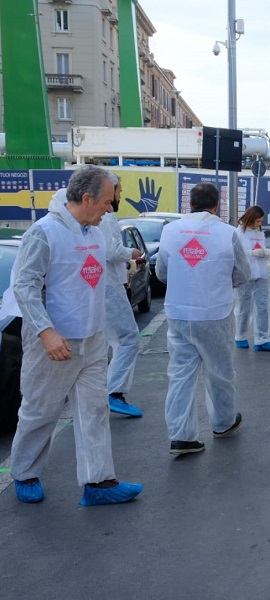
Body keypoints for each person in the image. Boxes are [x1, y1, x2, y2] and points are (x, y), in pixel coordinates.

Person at [9, 165, 143, 505]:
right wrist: (46, 331)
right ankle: (25, 472)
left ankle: (99, 482)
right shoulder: (44, 233)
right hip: (54, 343)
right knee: (41, 410)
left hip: (92, 340)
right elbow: (24, 285)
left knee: (95, 411)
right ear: (86, 198)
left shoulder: (94, 233)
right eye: (108, 202)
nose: (111, 209)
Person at [156, 182, 250, 456]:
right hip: (215, 312)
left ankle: (181, 436)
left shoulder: (170, 231)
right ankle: (223, 422)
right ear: (217, 205)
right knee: (219, 371)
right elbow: (242, 274)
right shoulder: (228, 233)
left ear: (190, 203)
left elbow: (161, 273)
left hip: (179, 313)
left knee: (180, 374)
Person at [99, 174, 144, 417]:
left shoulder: (101, 217)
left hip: (103, 285)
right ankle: (114, 392)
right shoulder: (106, 217)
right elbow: (111, 251)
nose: (119, 197)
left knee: (108, 343)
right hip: (107, 287)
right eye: (118, 192)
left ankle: (105, 393)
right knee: (128, 337)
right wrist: (132, 252)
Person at [234, 205, 270, 352]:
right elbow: (235, 253)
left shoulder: (259, 233)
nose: (259, 224)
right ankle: (240, 336)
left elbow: (263, 248)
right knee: (244, 306)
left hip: (261, 272)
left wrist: (267, 252)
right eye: (257, 221)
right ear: (250, 218)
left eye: (261, 221)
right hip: (245, 274)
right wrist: (252, 253)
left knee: (262, 305)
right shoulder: (238, 233)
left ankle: (262, 339)